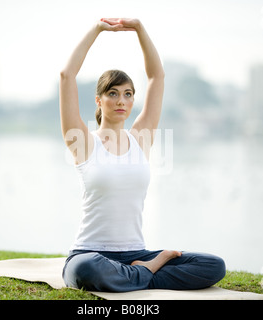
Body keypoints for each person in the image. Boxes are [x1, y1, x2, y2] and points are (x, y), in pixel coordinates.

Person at [59, 18, 225, 292]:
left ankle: (135, 273)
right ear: (99, 100)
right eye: (113, 94)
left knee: (213, 265)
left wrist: (140, 30)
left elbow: (156, 77)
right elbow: (67, 76)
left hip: (134, 252)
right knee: (85, 270)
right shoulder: (83, 142)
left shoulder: (140, 139)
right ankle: (147, 271)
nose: (121, 100)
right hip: (90, 253)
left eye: (127, 94)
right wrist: (97, 30)